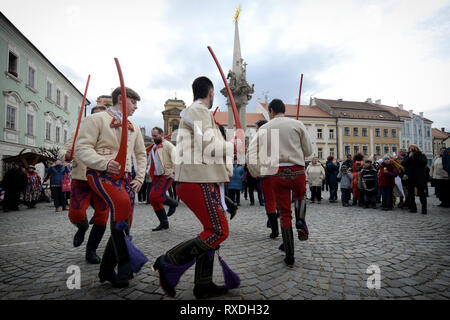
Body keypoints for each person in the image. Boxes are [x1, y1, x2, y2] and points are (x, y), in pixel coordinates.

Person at [152, 76, 235, 299]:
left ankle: (203, 284)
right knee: (218, 231)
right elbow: (208, 145)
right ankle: (169, 261)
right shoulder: (198, 111)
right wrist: (233, 145)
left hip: (202, 178)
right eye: (213, 94)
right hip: (197, 179)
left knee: (211, 231)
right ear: (210, 93)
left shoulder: (199, 113)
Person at [75, 86, 147, 287]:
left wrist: (140, 178)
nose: (136, 107)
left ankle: (106, 270)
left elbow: (141, 155)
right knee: (122, 204)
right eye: (133, 102)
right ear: (122, 99)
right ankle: (125, 262)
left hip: (126, 178)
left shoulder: (133, 126)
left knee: (125, 220)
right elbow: (82, 148)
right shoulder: (96, 120)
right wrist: (104, 163)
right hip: (101, 173)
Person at [248, 98, 313, 267]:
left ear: (270, 111)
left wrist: (256, 171)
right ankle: (300, 220)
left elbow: (252, 152)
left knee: (284, 213)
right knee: (300, 195)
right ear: (284, 109)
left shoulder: (264, 128)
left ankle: (290, 255)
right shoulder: (297, 124)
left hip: (277, 173)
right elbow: (308, 150)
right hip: (297, 170)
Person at [59, 105, 110, 264]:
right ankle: (82, 227)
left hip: (102, 180)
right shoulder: (77, 134)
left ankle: (91, 250)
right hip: (81, 179)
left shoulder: (110, 134)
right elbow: (62, 151)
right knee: (76, 214)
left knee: (102, 217)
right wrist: (66, 155)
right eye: (93, 116)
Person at [147, 127, 178, 231]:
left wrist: (172, 172)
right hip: (156, 175)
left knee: (157, 195)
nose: (153, 138)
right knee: (152, 199)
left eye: (155, 136)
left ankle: (173, 203)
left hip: (166, 174)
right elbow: (152, 161)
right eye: (152, 136)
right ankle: (164, 223)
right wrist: (147, 172)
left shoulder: (168, 145)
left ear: (161, 134)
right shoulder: (153, 147)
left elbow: (177, 159)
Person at [401, 145, 428, 214]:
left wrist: (415, 155)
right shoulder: (407, 156)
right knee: (410, 193)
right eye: (410, 148)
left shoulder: (421, 155)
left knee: (421, 193)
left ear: (417, 149)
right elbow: (403, 163)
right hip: (410, 177)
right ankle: (413, 207)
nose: (411, 150)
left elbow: (423, 162)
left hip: (419, 177)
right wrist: (409, 157)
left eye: (413, 148)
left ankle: (424, 208)